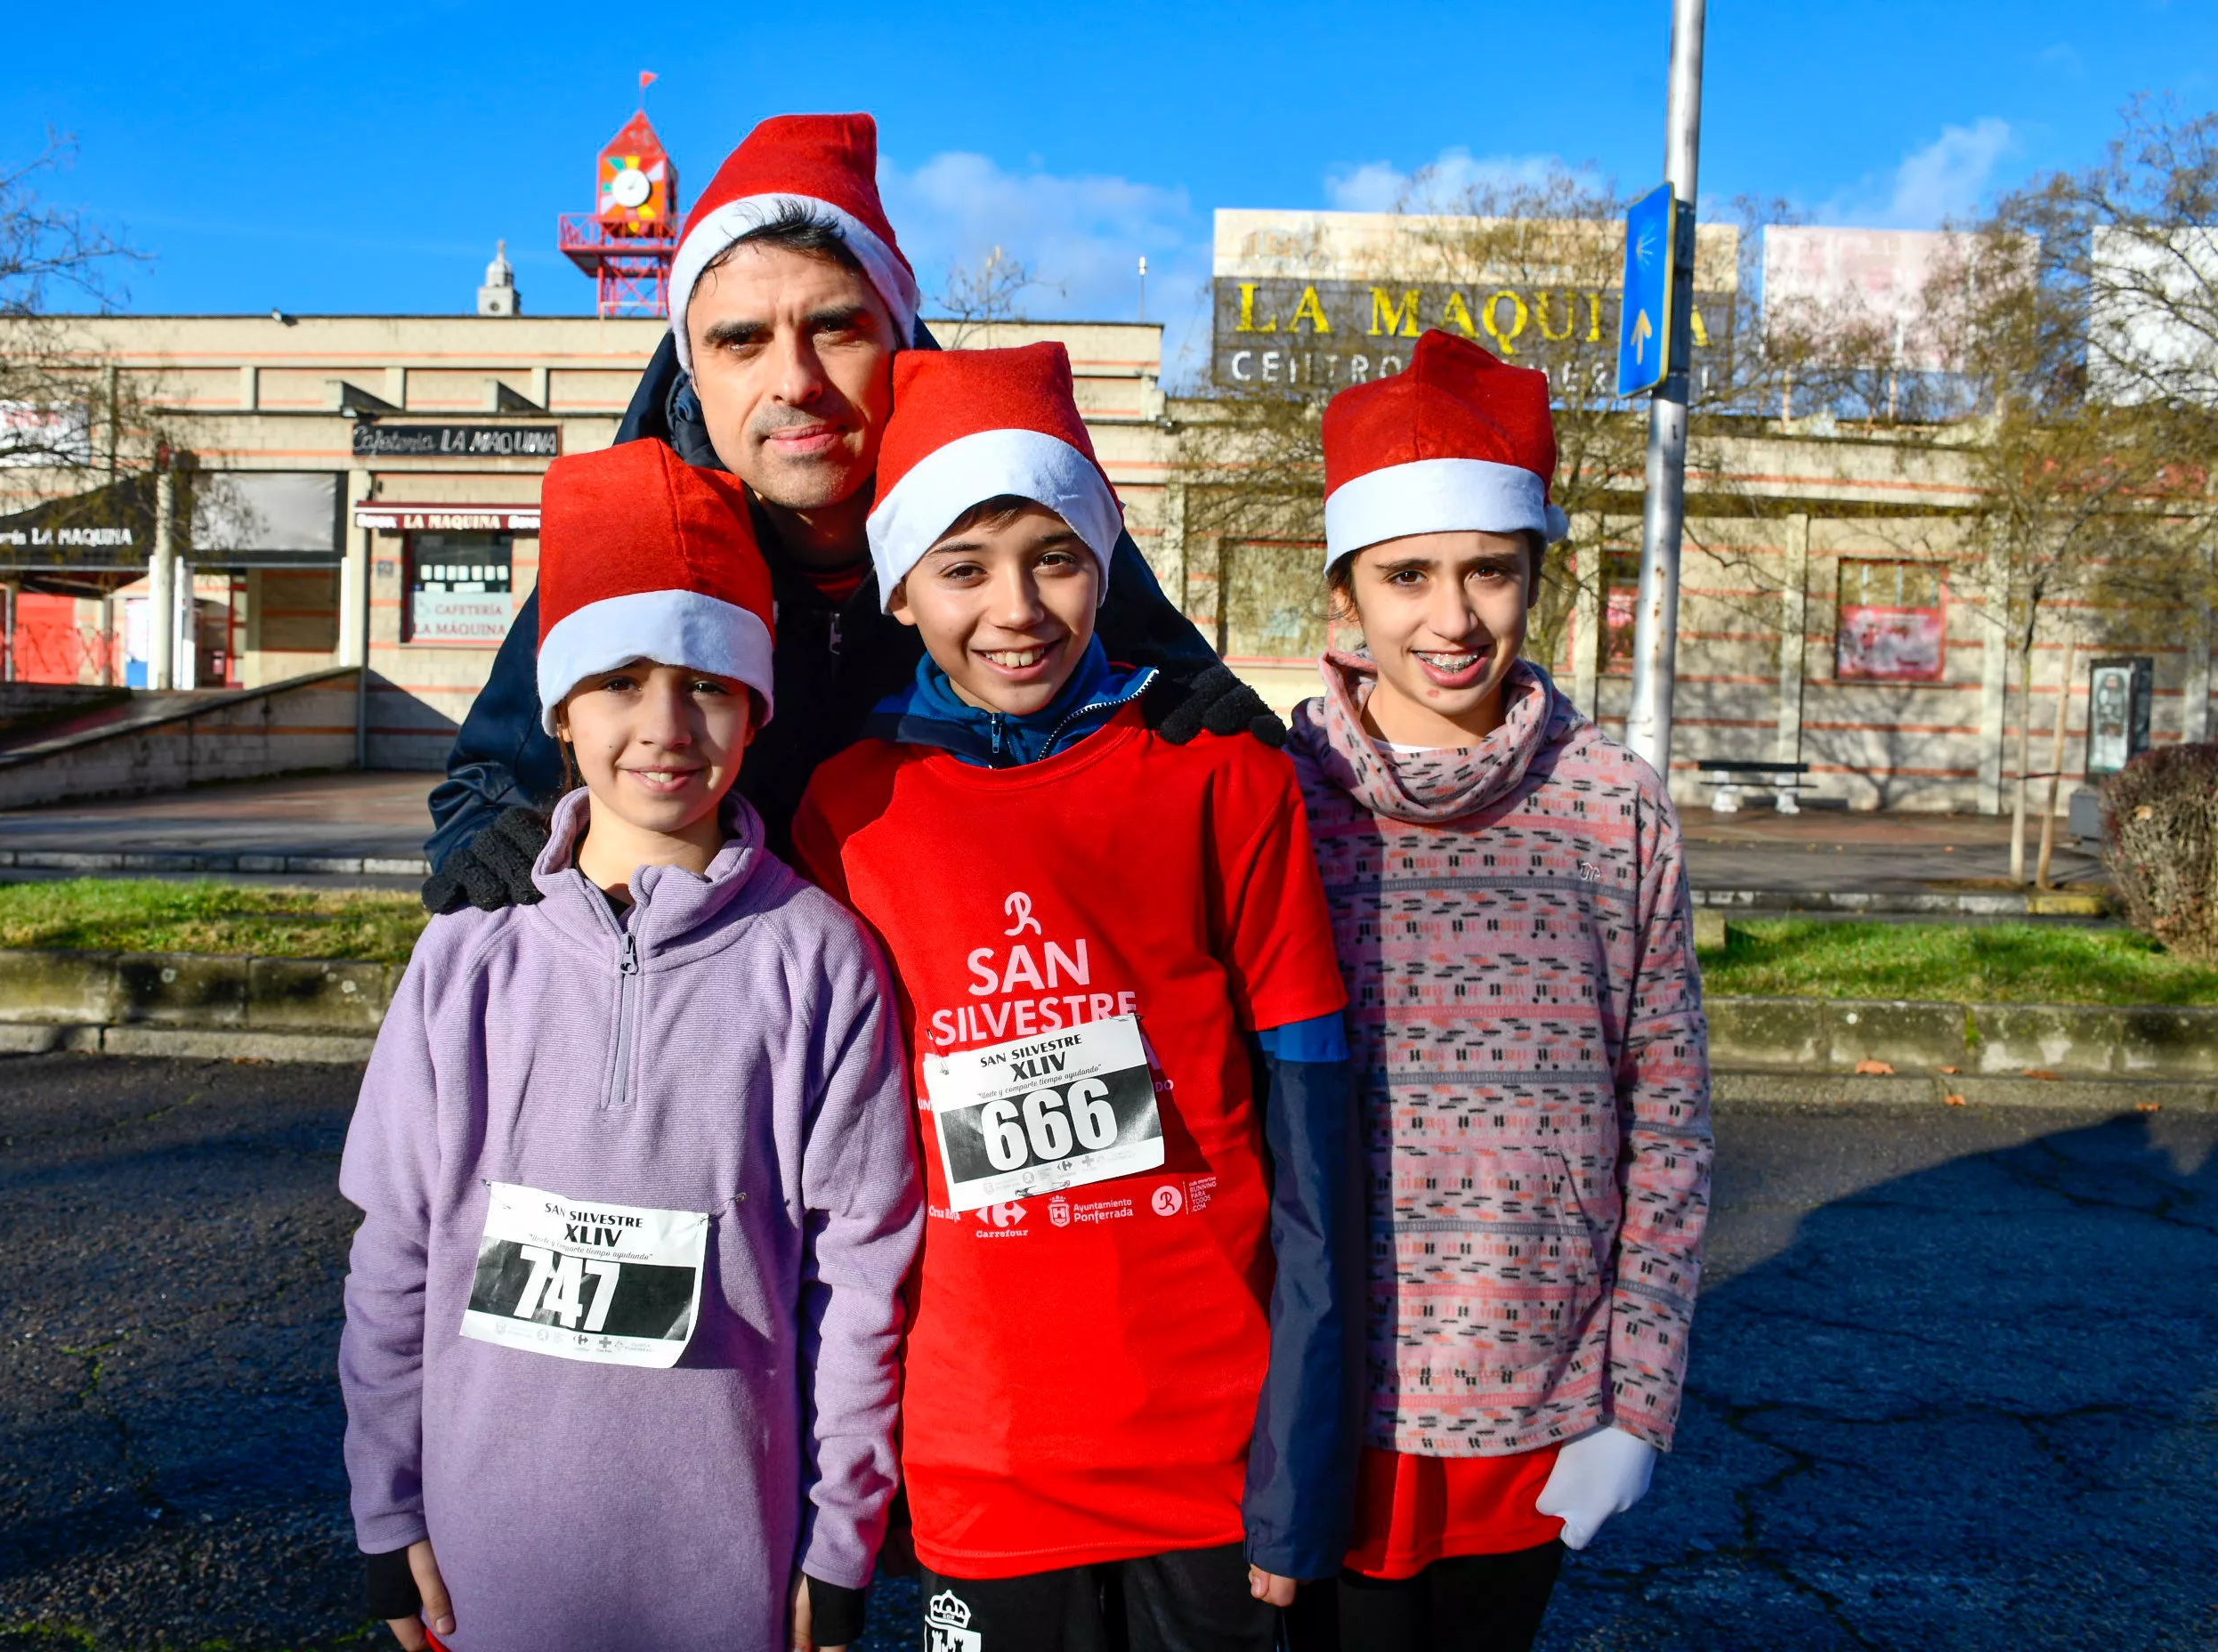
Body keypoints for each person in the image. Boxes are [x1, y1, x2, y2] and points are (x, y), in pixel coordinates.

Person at [791, 343, 1362, 1651]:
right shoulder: (848, 809)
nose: (1018, 607)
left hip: (1210, 1449)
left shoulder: (1221, 773)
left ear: (1107, 564)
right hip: (981, 1455)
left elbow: (1316, 1150)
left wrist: (1302, 1455)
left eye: (1056, 556)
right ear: (900, 594)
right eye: (964, 568)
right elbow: (831, 1184)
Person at [339, 437, 924, 1652]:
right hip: (491, 1563)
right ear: (556, 708)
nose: (664, 725)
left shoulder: (822, 962)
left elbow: (859, 1283)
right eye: (619, 681)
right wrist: (385, 1507)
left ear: (756, 704)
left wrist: (840, 1535)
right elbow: (392, 1260)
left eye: (707, 683)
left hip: (734, 1571)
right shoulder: (463, 966)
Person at [424, 112, 1275, 910]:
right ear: (692, 370)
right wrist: (514, 846)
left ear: (900, 346)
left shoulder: (1015, 532)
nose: (795, 381)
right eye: (740, 340)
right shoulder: (643, 554)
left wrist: (1197, 716)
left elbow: (1170, 684)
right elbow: (484, 793)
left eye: (835, 329)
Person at [1279, 331, 1713, 1652]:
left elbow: (1672, 1128)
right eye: (1408, 576)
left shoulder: (1613, 806)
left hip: (1535, 1404)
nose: (1451, 617)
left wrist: (1638, 1403)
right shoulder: (1277, 802)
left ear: (1539, 578)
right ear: (1348, 592)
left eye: (1491, 572)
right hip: (1321, 1397)